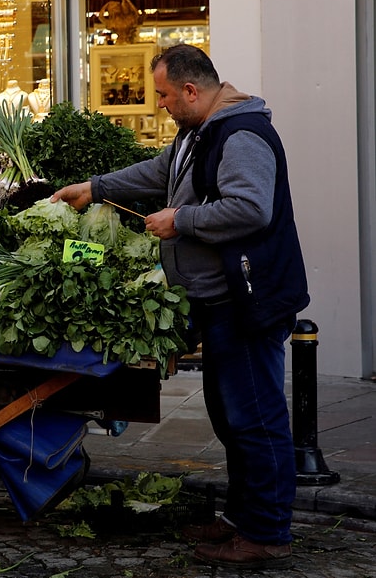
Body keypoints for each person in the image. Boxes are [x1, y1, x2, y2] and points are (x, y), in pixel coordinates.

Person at [51, 44, 308, 571]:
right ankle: (242, 519)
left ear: (192, 91)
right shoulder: (197, 132)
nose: (162, 105)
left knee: (254, 417)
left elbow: (250, 208)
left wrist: (181, 221)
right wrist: (95, 188)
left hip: (247, 300)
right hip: (218, 300)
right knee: (230, 415)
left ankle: (266, 534)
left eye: (166, 95)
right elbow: (159, 172)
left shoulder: (242, 134)